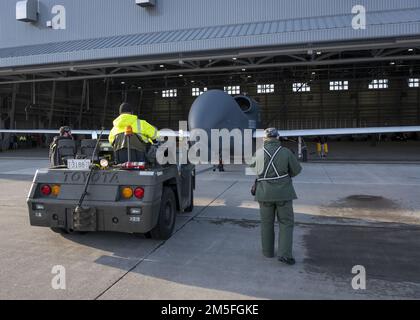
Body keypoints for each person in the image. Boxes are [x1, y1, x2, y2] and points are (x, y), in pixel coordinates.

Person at [251, 128, 302, 265]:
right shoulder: (285, 152)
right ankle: (284, 254)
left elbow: (252, 169)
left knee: (266, 224)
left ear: (265, 139)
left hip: (264, 194)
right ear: (277, 138)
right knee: (286, 223)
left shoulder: (259, 153)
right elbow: (296, 170)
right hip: (284, 194)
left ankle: (267, 252)